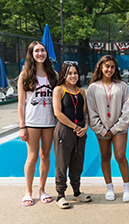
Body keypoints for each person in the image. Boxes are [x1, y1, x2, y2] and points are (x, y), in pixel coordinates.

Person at [87, 55, 129, 202]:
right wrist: (101, 129)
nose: (109, 69)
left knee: (120, 156)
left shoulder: (122, 86)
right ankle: (110, 188)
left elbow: (128, 110)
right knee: (105, 157)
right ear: (101, 67)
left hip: (119, 129)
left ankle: (127, 188)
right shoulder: (93, 87)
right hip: (101, 129)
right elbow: (91, 111)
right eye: (107, 66)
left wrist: (115, 128)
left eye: (112, 67)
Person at [17, 41, 58, 206]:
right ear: (31, 54)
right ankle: (28, 191)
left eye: (42, 50)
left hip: (49, 122)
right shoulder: (25, 75)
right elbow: (21, 103)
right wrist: (22, 126)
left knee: (45, 156)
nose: (40, 53)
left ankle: (42, 189)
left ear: (46, 53)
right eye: (37, 51)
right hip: (32, 121)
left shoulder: (53, 74)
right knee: (32, 156)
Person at [52, 62, 92, 209]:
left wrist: (86, 126)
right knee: (62, 164)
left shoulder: (81, 91)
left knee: (77, 163)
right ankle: (60, 195)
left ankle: (76, 192)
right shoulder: (59, 90)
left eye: (75, 73)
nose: (73, 76)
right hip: (65, 131)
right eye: (69, 73)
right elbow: (58, 113)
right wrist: (75, 126)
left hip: (81, 131)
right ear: (63, 74)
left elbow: (85, 112)